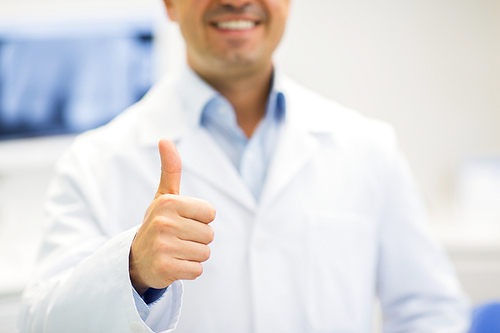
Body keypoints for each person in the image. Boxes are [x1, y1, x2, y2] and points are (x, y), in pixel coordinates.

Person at [19, 0, 470, 332]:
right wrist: (134, 272)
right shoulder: (96, 161)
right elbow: (39, 323)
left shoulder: (369, 147)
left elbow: (430, 311)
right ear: (170, 5)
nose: (236, 1)